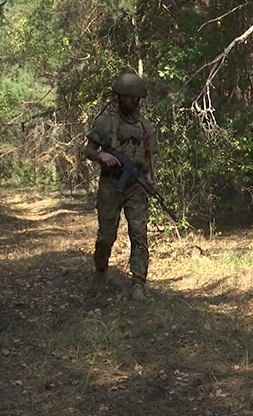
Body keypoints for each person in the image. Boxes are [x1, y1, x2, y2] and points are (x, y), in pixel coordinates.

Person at [84, 72, 160, 300]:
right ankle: (100, 271)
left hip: (135, 186)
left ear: (139, 99)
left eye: (133, 98)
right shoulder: (105, 122)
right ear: (119, 97)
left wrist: (148, 179)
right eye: (125, 97)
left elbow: (149, 160)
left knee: (139, 235)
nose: (129, 101)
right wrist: (102, 156)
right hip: (110, 184)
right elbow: (88, 150)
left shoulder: (146, 126)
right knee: (106, 235)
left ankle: (138, 283)